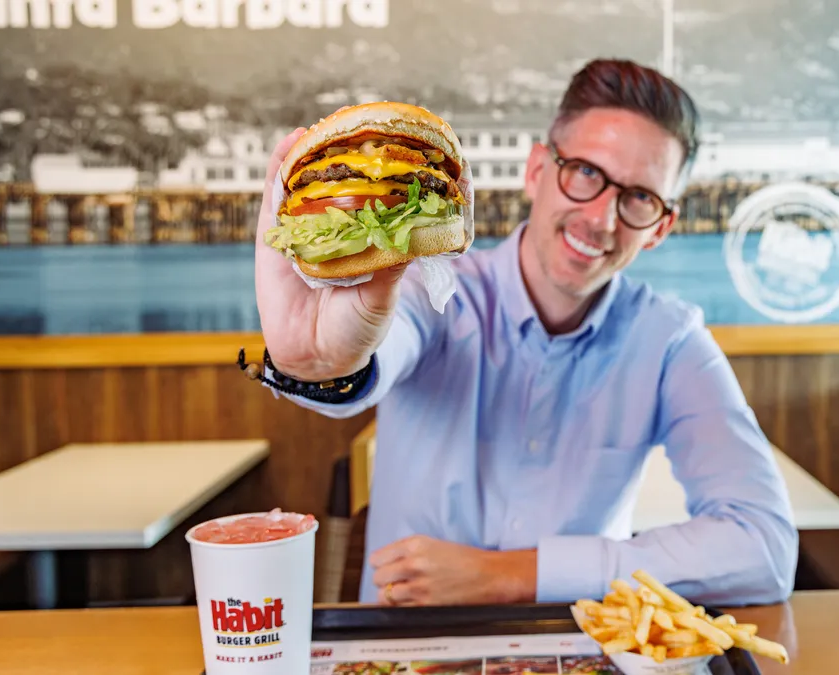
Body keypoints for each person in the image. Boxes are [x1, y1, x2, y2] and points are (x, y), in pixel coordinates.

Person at [253, 59, 798, 607]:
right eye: (586, 172)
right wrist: (320, 364)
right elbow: (372, 352)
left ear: (660, 227)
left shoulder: (671, 342)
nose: (601, 219)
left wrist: (513, 575)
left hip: (577, 646)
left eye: (639, 197)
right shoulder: (438, 291)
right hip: (407, 641)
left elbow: (765, 549)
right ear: (537, 170)